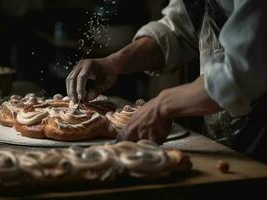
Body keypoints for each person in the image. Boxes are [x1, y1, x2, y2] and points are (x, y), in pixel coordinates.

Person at [66, 0, 267, 163]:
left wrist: (163, 103)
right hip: (224, 141)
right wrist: (113, 62)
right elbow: (177, 29)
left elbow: (245, 68)